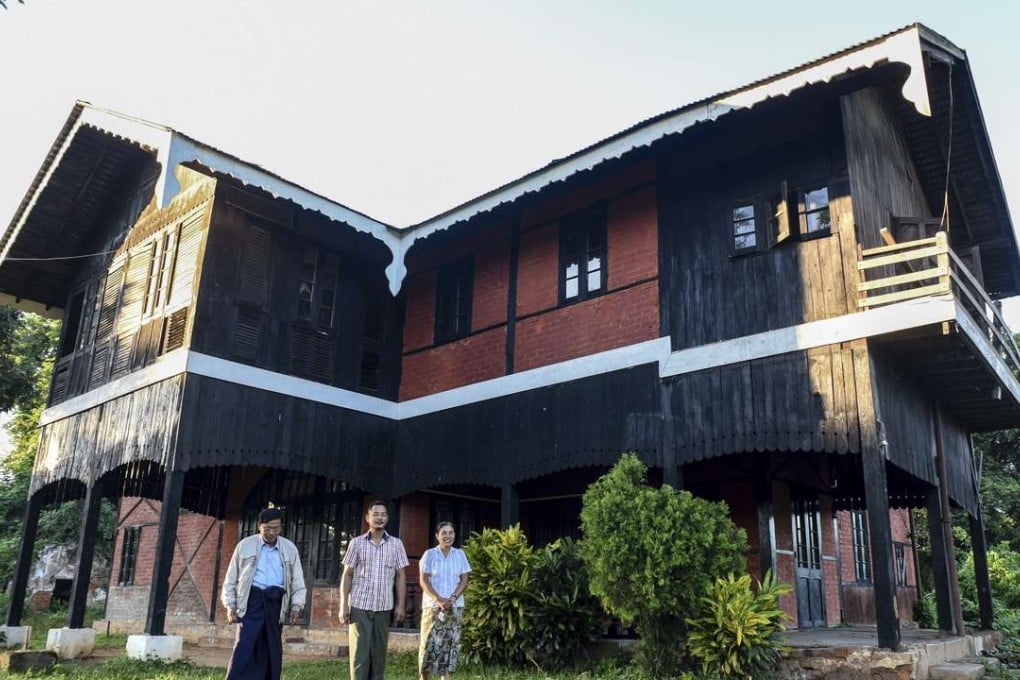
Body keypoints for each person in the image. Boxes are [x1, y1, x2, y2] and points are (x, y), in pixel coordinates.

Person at [221, 507, 306, 680]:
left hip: (275, 603)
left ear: (281, 528)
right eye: (268, 528)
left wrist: (297, 606)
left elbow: (298, 581)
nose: (272, 532)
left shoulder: (290, 549)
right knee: (244, 646)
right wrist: (230, 606)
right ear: (260, 526)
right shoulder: (245, 546)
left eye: (276, 528)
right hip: (252, 602)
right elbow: (231, 578)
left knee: (271, 649)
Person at [340, 500, 409, 680]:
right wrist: (343, 606)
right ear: (367, 518)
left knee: (379, 655)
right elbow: (347, 575)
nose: (379, 518)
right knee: (360, 655)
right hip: (359, 605)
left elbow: (401, 576)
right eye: (375, 514)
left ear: (387, 518)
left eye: (383, 515)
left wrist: (401, 605)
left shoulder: (396, 545)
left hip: (383, 606)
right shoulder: (356, 543)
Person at [418, 521, 471, 680]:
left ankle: (446, 677)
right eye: (444, 533)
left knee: (449, 644)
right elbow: (424, 580)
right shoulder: (429, 554)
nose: (448, 536)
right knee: (429, 643)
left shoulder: (460, 554)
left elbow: (464, 579)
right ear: (437, 536)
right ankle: (423, 677)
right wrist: (439, 599)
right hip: (432, 606)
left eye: (451, 533)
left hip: (455, 607)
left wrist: (453, 598)